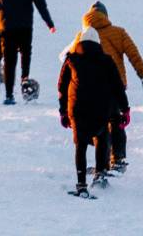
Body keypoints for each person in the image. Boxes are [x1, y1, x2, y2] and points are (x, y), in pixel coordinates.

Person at [78, 2, 143, 172]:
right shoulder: (118, 32)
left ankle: (102, 162)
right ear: (105, 16)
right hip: (114, 86)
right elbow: (133, 53)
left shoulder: (82, 35)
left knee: (98, 124)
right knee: (115, 121)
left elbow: (71, 60)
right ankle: (117, 159)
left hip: (91, 88)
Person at [57, 26, 129, 197]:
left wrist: (63, 112)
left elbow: (62, 87)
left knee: (80, 146)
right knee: (101, 140)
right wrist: (125, 109)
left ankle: (81, 185)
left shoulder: (71, 60)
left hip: (77, 110)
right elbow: (118, 87)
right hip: (100, 109)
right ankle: (100, 176)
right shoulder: (106, 60)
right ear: (98, 42)